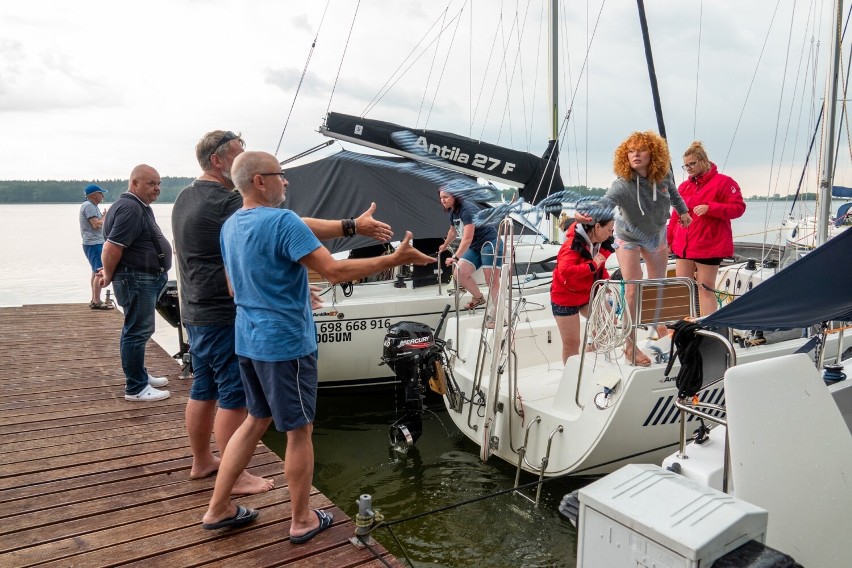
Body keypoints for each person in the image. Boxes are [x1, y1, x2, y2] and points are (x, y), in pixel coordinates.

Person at [201, 151, 434, 543]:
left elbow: (234, 287)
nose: (286, 181)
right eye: (281, 174)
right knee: (298, 432)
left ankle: (219, 508)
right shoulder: (283, 221)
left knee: (256, 419)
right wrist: (394, 258)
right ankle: (301, 520)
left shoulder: (231, 225)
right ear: (260, 180)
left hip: (249, 338)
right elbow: (336, 270)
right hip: (286, 345)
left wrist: (287, 287)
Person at [173, 130, 393, 495]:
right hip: (231, 315)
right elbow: (289, 226)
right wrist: (351, 226)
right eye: (238, 154)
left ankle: (202, 461)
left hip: (195, 308)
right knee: (235, 399)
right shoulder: (227, 202)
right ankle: (237, 477)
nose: (243, 160)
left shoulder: (184, 197)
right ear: (218, 161)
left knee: (204, 387)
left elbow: (254, 249)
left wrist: (287, 282)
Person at [579, 131, 691, 366]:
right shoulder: (622, 185)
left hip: (655, 235)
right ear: (625, 156)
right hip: (628, 237)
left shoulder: (663, 176)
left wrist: (683, 212)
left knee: (658, 285)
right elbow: (605, 203)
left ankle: (659, 325)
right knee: (633, 289)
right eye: (631, 150)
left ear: (653, 153)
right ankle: (629, 346)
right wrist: (590, 212)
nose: (636, 154)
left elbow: (674, 194)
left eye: (641, 149)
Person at [100, 164, 172, 401]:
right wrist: (109, 275)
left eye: (159, 183)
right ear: (134, 183)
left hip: (142, 277)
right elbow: (111, 247)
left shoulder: (136, 206)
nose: (157, 188)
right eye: (151, 183)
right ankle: (136, 387)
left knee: (136, 329)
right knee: (137, 331)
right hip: (136, 277)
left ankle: (139, 374)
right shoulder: (131, 207)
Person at [667, 141, 745, 316]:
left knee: (705, 290)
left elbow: (738, 208)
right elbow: (675, 215)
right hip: (683, 246)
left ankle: (708, 328)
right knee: (683, 287)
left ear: (704, 160)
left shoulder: (724, 182)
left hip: (708, 246)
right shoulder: (684, 186)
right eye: (685, 165)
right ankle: (686, 327)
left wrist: (711, 208)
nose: (688, 168)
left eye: (692, 164)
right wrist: (669, 241)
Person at [551, 213, 615, 363]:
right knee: (572, 344)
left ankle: (589, 357)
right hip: (565, 298)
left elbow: (600, 268)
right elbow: (565, 271)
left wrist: (607, 282)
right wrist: (592, 265)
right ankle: (571, 379)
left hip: (587, 294)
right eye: (609, 230)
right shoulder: (572, 245)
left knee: (608, 323)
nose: (611, 234)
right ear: (597, 227)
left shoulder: (599, 244)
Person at [436, 188, 501, 313]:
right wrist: (444, 245)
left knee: (491, 281)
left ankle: (497, 314)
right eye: (441, 197)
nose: (443, 200)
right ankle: (478, 298)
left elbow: (467, 238)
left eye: (446, 197)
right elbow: (453, 231)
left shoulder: (467, 210)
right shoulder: (453, 212)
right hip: (476, 246)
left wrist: (455, 257)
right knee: (459, 274)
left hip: (490, 243)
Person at [79, 183, 112, 309]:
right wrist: (105, 216)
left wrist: (103, 215)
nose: (102, 196)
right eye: (100, 193)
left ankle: (94, 299)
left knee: (95, 271)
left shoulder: (91, 206)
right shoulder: (89, 206)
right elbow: (96, 225)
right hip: (94, 243)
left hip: (93, 243)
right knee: (99, 271)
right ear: (93, 195)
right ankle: (97, 301)